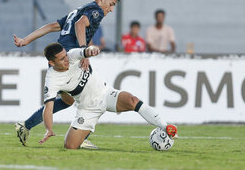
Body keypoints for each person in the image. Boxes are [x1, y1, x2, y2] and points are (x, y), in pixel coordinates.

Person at [13, 0, 120, 149]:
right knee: (96, 96)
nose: (111, 9)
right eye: (111, 4)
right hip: (70, 61)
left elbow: (51, 27)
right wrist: (84, 51)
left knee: (68, 100)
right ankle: (81, 137)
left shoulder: (76, 11)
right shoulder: (96, 11)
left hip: (60, 60)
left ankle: (25, 126)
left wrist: (25, 40)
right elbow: (80, 26)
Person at [38, 43, 178, 149]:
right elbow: (48, 108)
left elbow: (87, 50)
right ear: (51, 63)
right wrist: (49, 129)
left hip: (106, 94)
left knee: (132, 100)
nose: (66, 59)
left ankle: (166, 127)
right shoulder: (52, 80)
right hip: (87, 109)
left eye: (65, 55)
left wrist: (92, 49)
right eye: (62, 59)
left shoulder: (72, 55)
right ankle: (81, 140)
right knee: (69, 146)